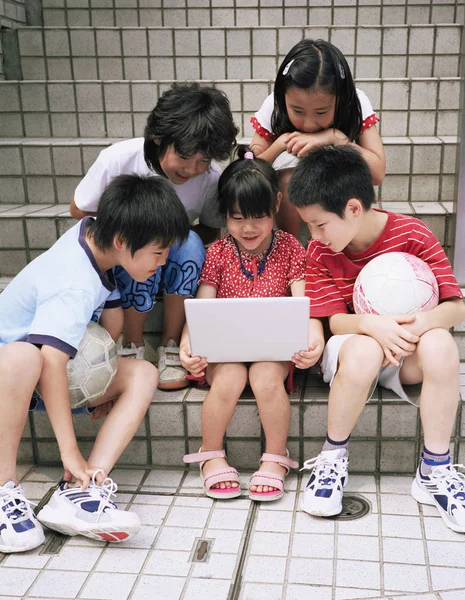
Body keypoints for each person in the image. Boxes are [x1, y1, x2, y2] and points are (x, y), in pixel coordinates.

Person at [287, 145, 465, 534]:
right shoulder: (319, 251)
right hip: (353, 351)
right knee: (364, 349)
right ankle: (332, 457)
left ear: (353, 208)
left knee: (442, 344)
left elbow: (456, 308)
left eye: (319, 224)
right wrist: (373, 325)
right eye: (308, 226)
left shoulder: (411, 234)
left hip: (405, 352)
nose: (313, 235)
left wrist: (414, 328)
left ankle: (435, 470)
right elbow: (335, 321)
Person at [0, 174, 190, 553]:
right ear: (123, 242)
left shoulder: (93, 236)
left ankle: (80, 492)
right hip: (13, 375)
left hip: (42, 373)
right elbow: (51, 362)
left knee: (143, 373)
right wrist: (70, 452)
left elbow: (112, 321)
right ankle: (4, 489)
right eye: (158, 252)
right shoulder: (73, 280)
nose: (163, 261)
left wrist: (101, 376)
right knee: (23, 357)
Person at [70, 82, 239, 391]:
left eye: (204, 160)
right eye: (186, 157)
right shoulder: (118, 160)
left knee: (187, 242)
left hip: (174, 260)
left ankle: (172, 344)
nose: (193, 169)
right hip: (125, 258)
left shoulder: (210, 178)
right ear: (159, 138)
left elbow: (212, 230)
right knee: (139, 241)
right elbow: (79, 210)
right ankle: (131, 342)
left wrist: (168, 241)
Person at [179, 147, 322, 501]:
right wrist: (188, 344)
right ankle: (210, 454)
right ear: (224, 214)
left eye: (258, 216)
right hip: (223, 351)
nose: (248, 227)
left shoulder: (291, 249)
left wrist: (311, 341)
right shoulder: (217, 252)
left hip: (271, 351)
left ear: (276, 204)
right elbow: (202, 306)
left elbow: (305, 306)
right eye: (237, 217)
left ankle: (276, 457)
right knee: (229, 376)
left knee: (264, 376)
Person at [250, 39, 386, 238]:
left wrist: (336, 138)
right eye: (297, 111)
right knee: (288, 178)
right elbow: (251, 170)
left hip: (341, 183)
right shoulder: (274, 105)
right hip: (290, 191)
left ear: (340, 99)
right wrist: (281, 143)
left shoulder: (355, 103)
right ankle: (292, 247)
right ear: (283, 96)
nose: (309, 124)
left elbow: (377, 173)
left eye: (321, 112)